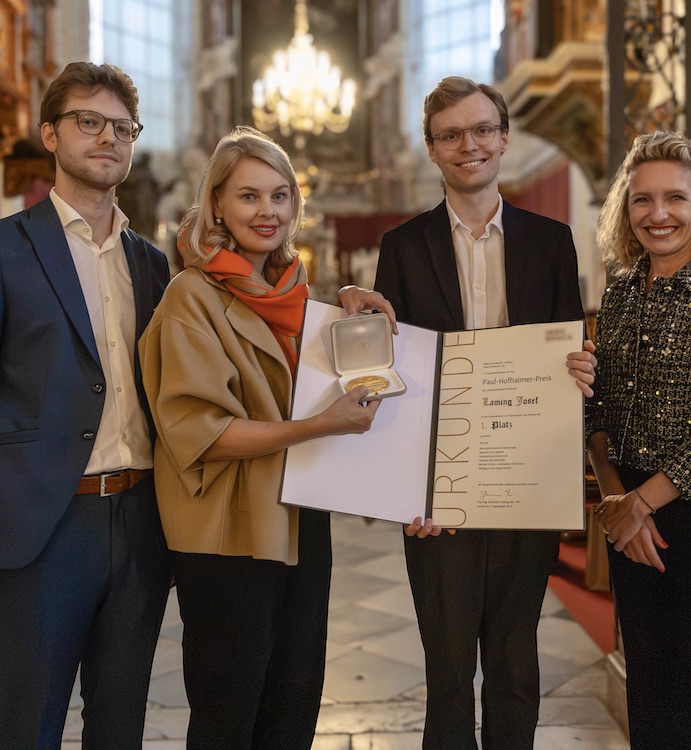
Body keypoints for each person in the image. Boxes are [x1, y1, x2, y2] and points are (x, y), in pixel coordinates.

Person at [340, 75, 596, 750]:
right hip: (440, 487)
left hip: (525, 482)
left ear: (504, 138)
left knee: (515, 665)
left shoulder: (551, 241)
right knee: (448, 671)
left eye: (482, 129)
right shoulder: (403, 245)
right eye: (450, 134)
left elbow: (568, 355)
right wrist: (406, 491)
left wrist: (580, 370)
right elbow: (392, 374)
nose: (469, 145)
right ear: (432, 149)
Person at [138, 125, 380, 750]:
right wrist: (320, 425)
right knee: (229, 713)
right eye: (248, 196)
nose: (267, 211)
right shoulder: (190, 296)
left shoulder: (298, 296)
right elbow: (201, 434)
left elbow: (339, 389)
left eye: (280, 195)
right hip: (229, 529)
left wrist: (352, 319)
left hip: (301, 518)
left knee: (293, 707)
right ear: (217, 203)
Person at [0, 62, 172, 748]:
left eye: (123, 128)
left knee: (120, 725)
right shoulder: (6, 249)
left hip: (140, 520)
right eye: (89, 122)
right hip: (43, 525)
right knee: (27, 725)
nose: (109, 138)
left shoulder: (152, 263)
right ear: (51, 134)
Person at [588, 130, 691, 750]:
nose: (658, 214)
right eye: (642, 199)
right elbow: (598, 410)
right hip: (630, 518)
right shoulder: (620, 294)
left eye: (675, 198)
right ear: (625, 210)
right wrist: (615, 501)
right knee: (651, 690)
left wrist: (640, 503)